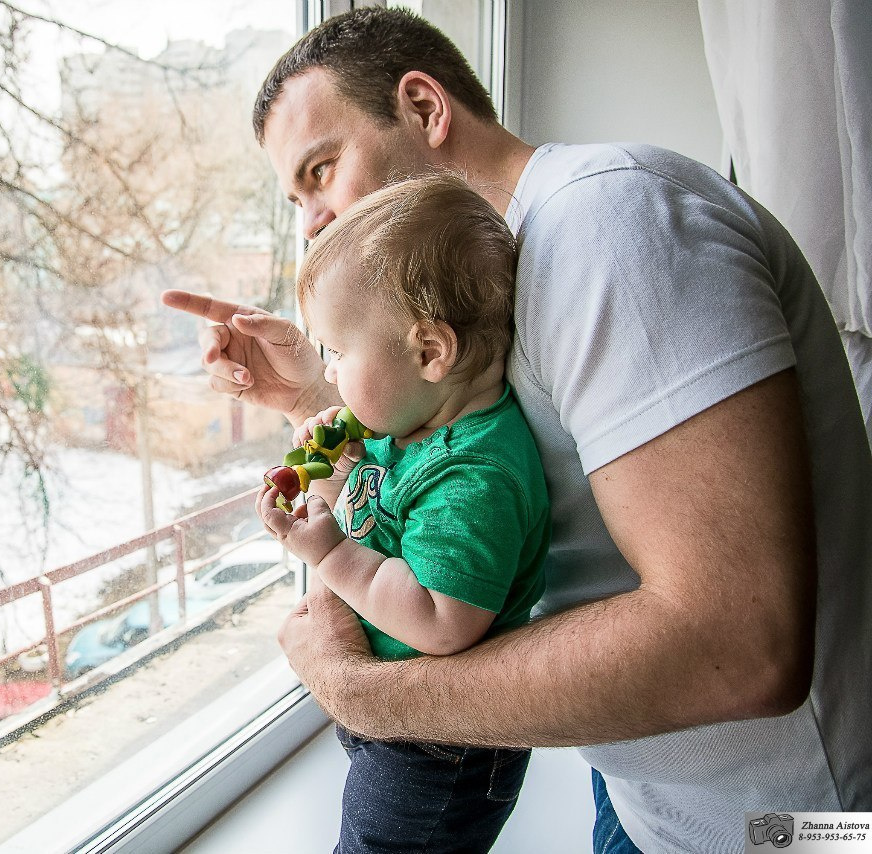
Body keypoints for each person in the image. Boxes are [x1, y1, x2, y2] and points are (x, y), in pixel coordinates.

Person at [161, 8, 872, 854]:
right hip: (653, 792)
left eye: (323, 169)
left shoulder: (613, 226)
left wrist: (365, 696)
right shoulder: (503, 286)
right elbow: (464, 448)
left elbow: (742, 644)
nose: (312, 219)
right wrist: (312, 395)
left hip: (789, 828)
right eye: (297, 199)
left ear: (425, 109)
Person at [256, 173, 549, 853]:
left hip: (441, 750)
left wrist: (328, 555)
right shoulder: (408, 429)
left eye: (339, 352)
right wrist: (336, 474)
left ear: (428, 352)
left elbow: (441, 619)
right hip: (404, 724)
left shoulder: (473, 477)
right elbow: (383, 520)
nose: (329, 374)